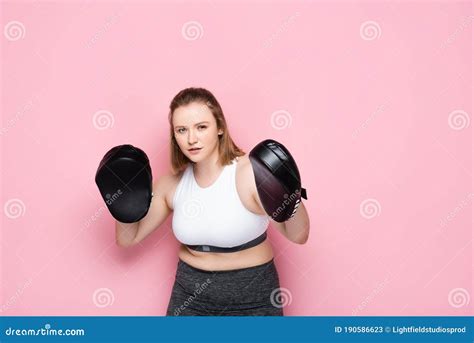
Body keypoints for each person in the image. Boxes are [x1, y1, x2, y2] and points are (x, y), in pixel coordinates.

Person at [96, 87, 310, 316]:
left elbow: (298, 235)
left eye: (201, 127)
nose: (191, 139)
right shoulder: (172, 184)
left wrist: (290, 192)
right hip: (190, 298)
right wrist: (123, 198)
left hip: (253, 297)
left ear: (219, 127)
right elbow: (128, 238)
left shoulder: (250, 173)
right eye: (181, 130)